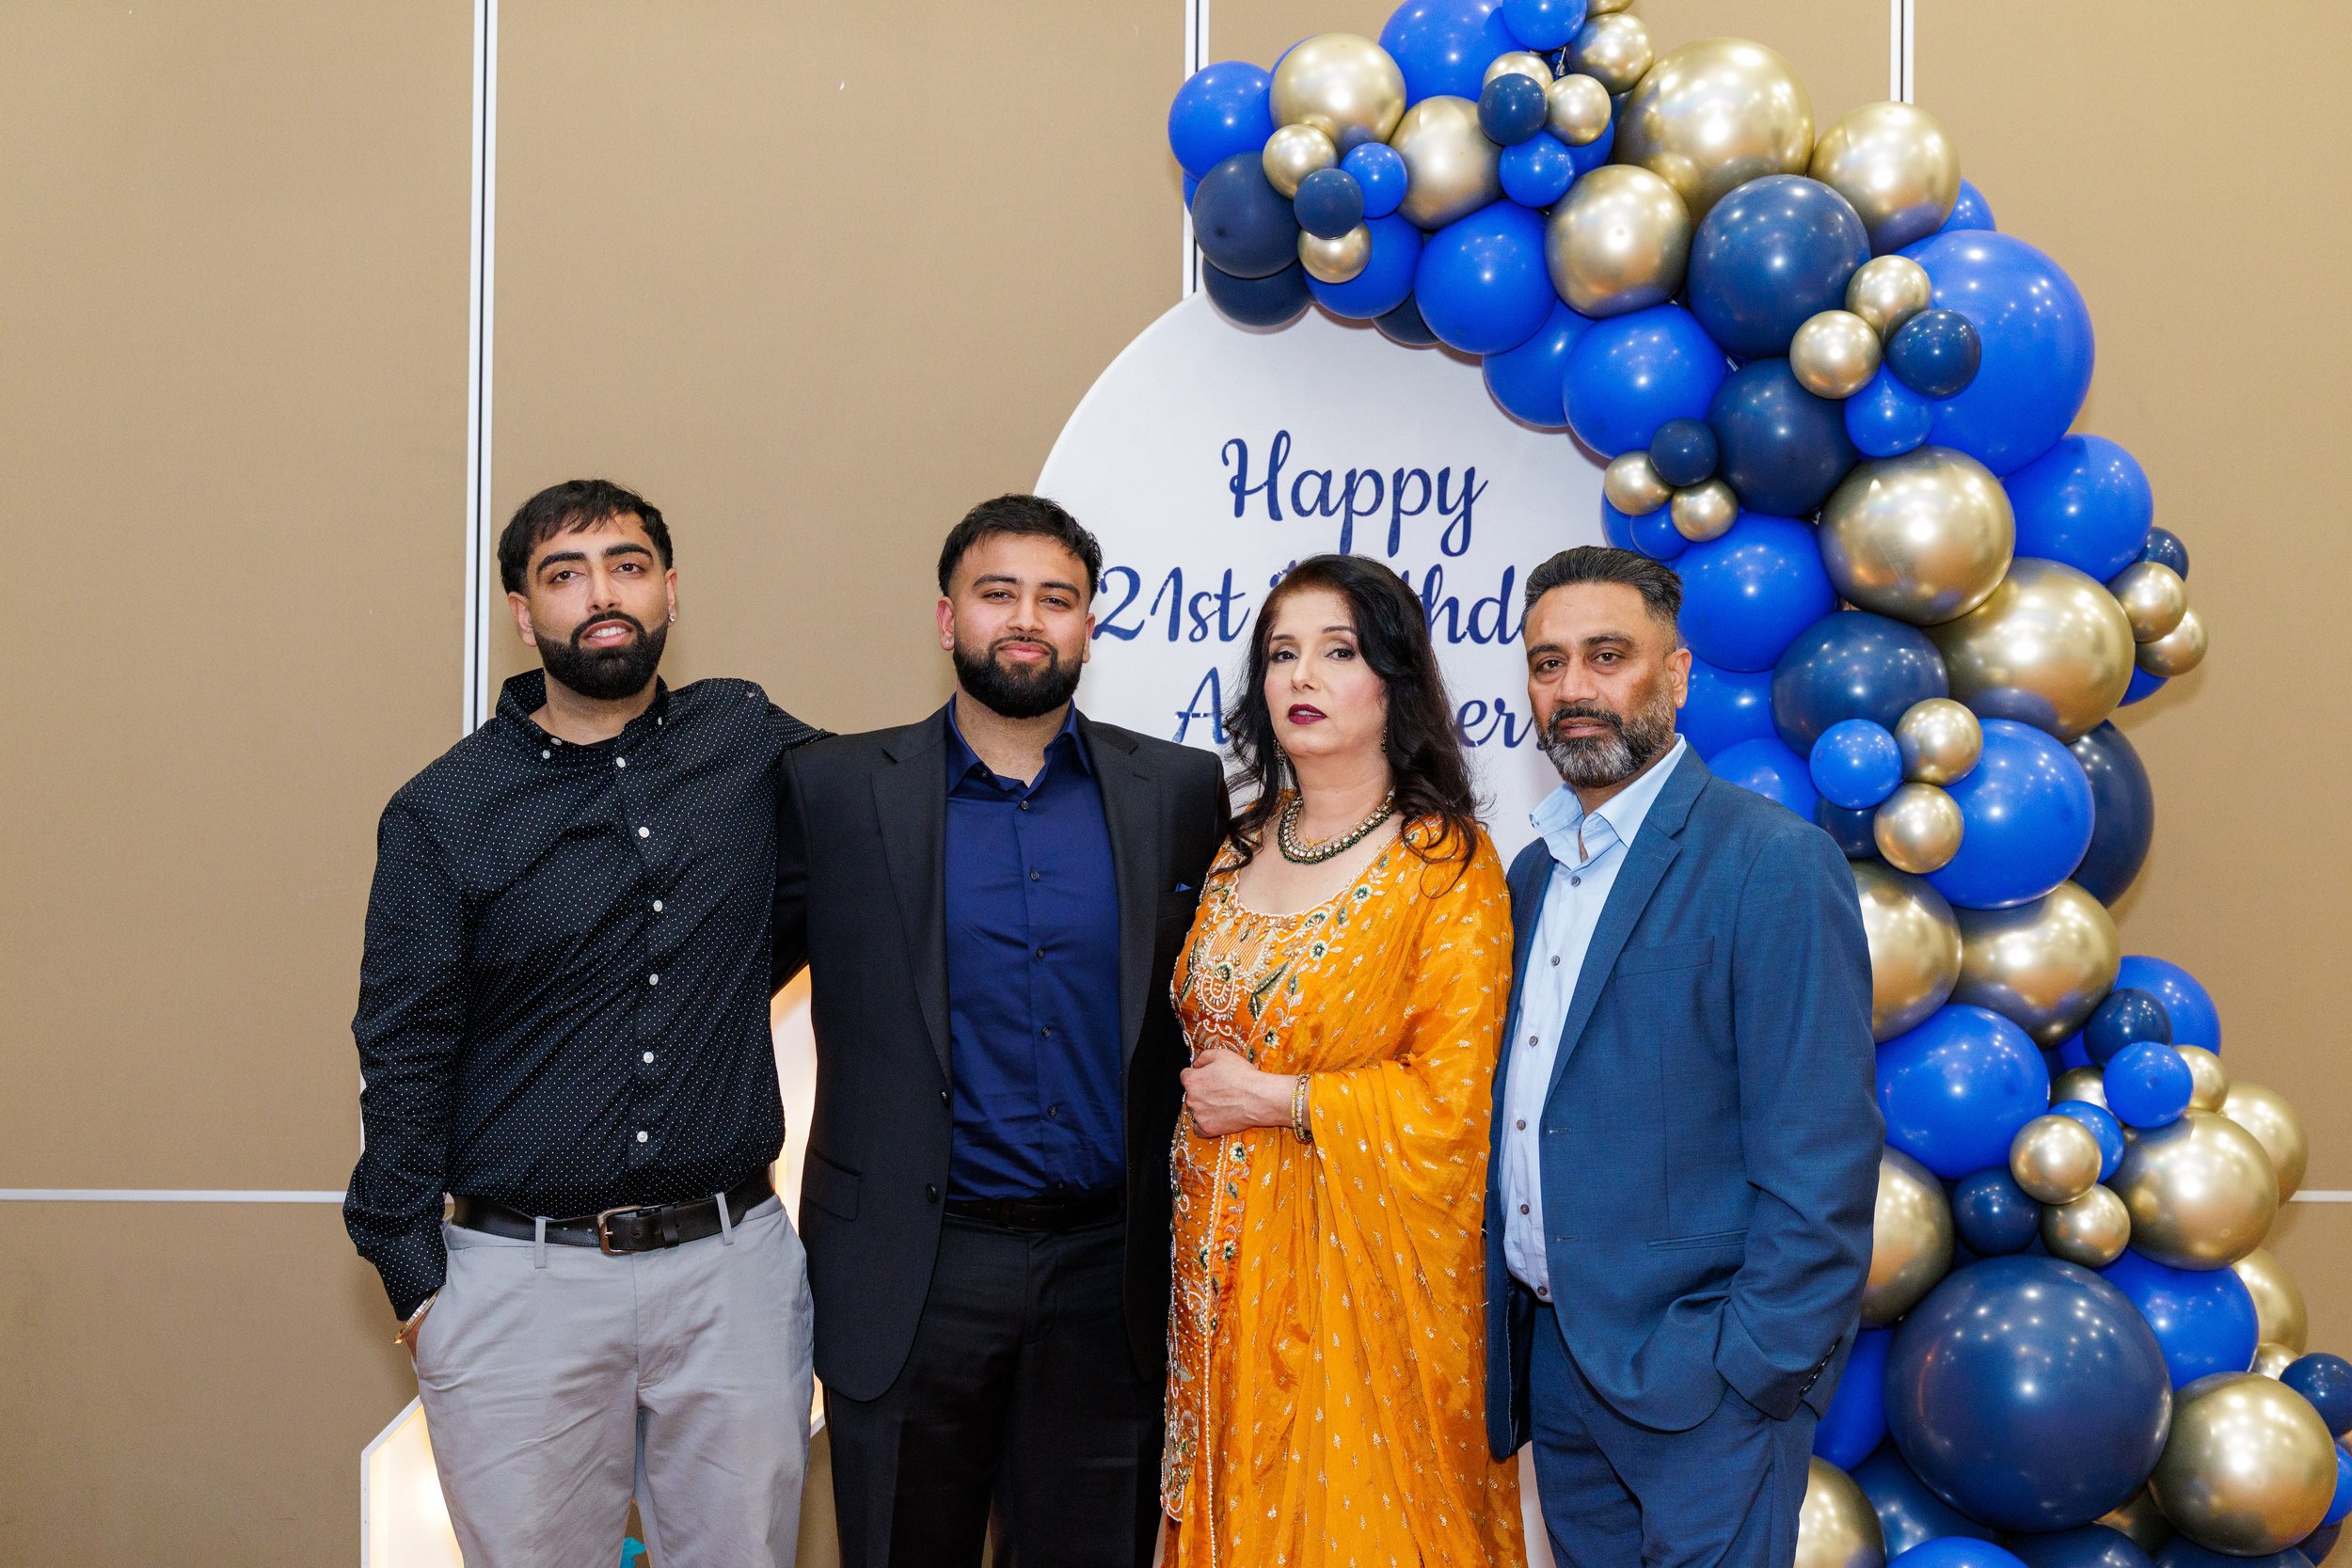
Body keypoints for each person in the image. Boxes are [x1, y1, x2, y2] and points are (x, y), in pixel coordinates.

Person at [344, 479, 822, 1568]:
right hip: (521, 1284)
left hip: (731, 1273)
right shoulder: (444, 810)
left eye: (626, 563)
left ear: (668, 589)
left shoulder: (742, 736)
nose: (601, 593)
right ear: (522, 610)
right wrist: (417, 1277)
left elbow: (877, 831)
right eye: (564, 574)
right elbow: (404, 1049)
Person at [772, 494, 1228, 1568]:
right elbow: (716, 981)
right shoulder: (834, 790)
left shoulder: (1178, 789)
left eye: (1056, 598)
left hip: (1107, 1277)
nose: (1026, 619)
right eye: (997, 594)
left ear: (1088, 626)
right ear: (946, 620)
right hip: (910, 1272)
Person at [1486, 546, 1881, 1568]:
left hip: (1705, 1382)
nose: (1572, 688)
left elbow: (1822, 1150)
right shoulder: (1531, 875)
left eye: (1606, 655)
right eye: (1546, 662)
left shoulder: (1771, 862)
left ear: (1676, 674)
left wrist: (1751, 1367)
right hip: (1561, 1370)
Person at [1163, 552, 1524, 1568]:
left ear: (1393, 681)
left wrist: (1281, 1097)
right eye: (1281, 654)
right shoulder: (1234, 847)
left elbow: (1457, 1109)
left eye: (1337, 651)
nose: (1301, 678)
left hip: (1363, 1299)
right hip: (1216, 1281)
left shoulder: (1444, 865)